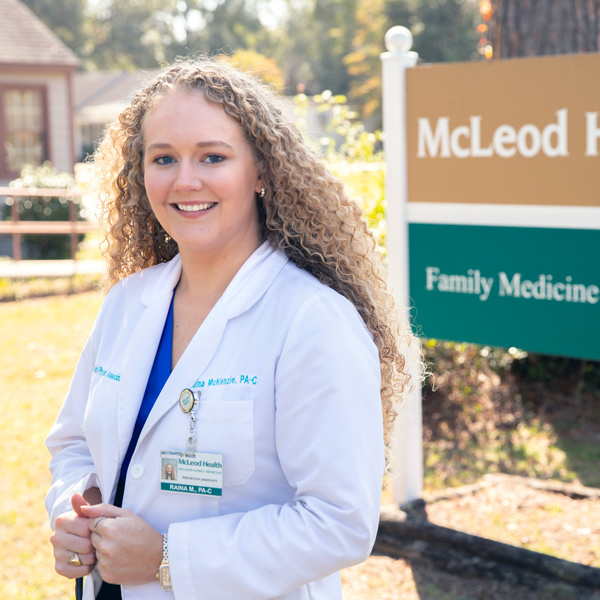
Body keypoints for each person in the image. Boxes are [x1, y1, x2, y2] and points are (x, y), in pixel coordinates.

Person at [45, 57, 414, 600]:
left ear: (261, 171)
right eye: (163, 158)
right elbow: (73, 443)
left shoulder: (311, 320)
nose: (185, 180)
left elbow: (340, 521)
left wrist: (169, 558)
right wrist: (77, 505)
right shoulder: (128, 304)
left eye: (212, 156)